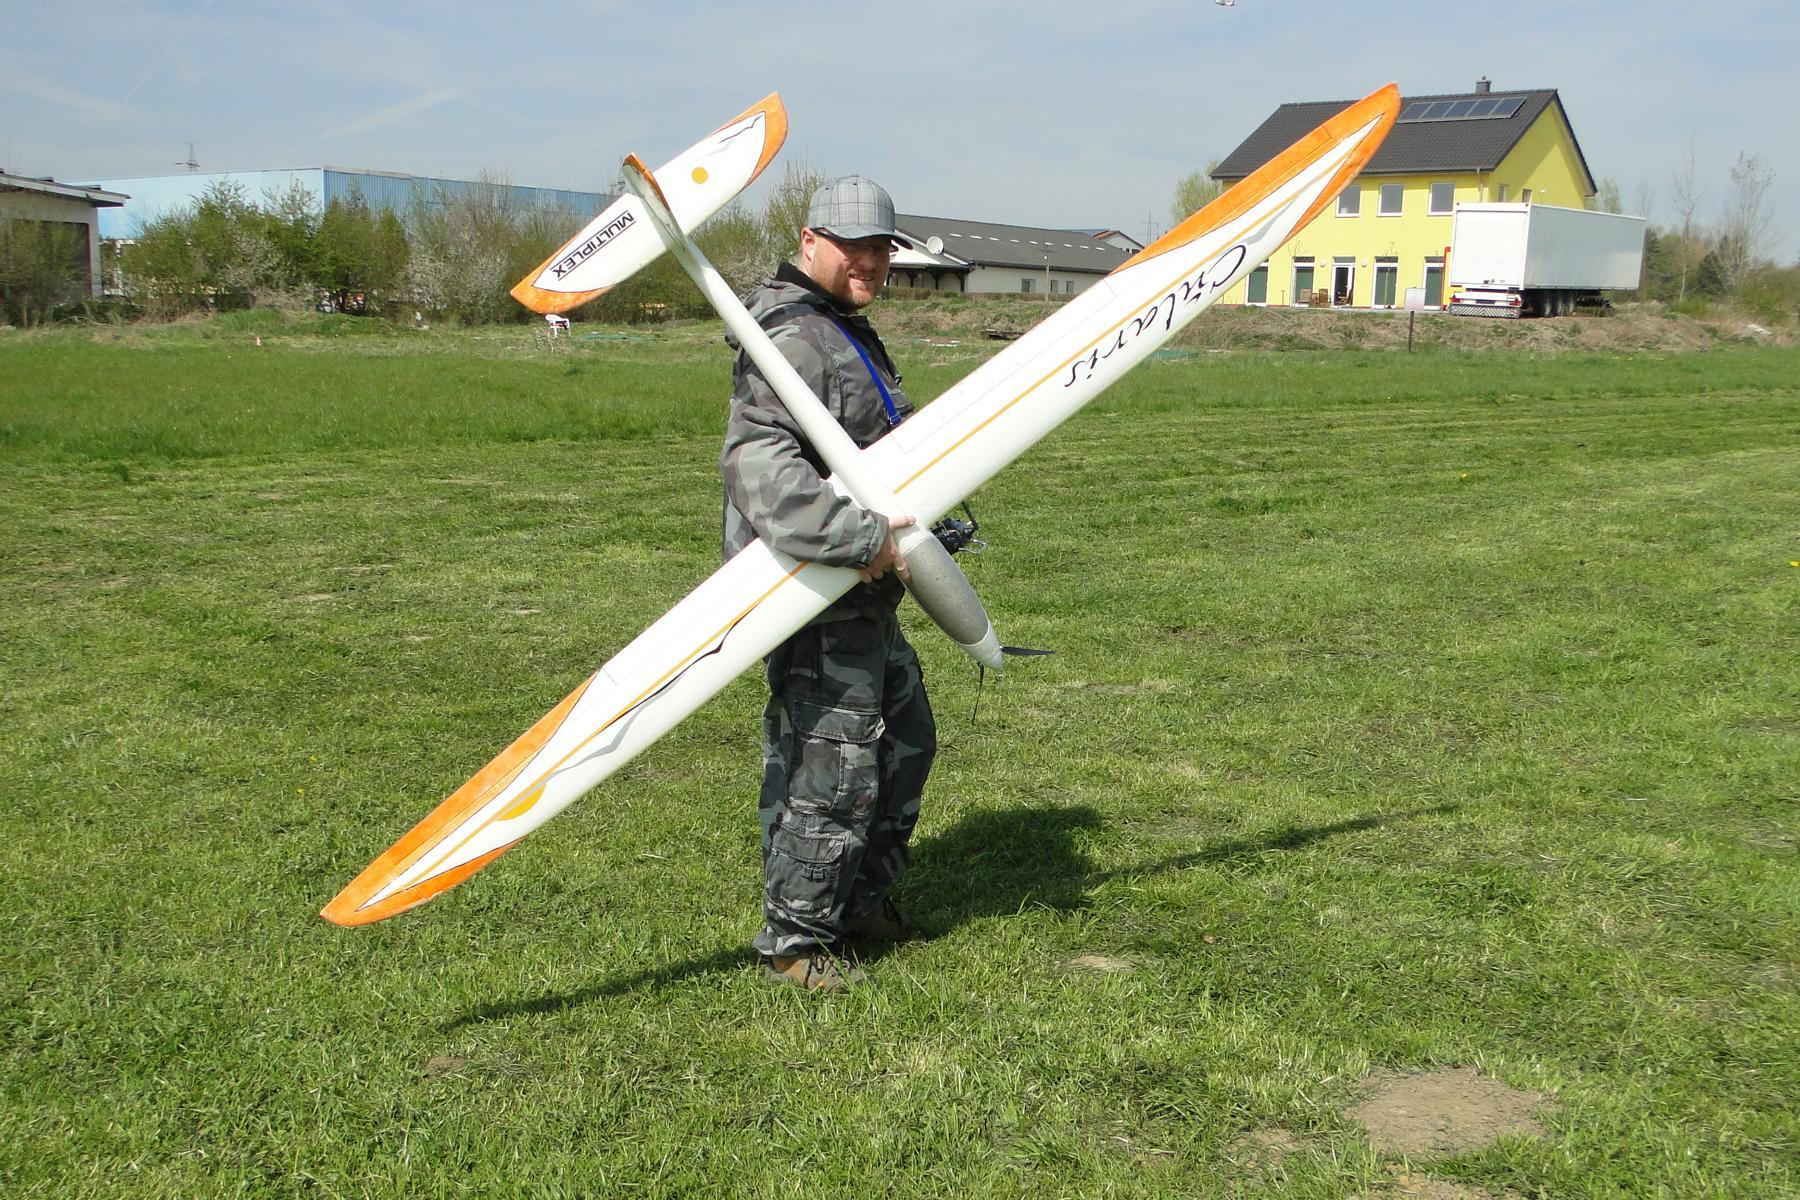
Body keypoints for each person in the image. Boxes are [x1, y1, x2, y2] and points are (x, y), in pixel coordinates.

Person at [720, 176, 936, 991]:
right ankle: (795, 941)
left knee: (907, 738)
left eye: (881, 249)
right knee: (832, 766)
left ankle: (860, 900)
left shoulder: (843, 328)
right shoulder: (796, 337)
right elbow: (761, 470)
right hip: (814, 591)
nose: (870, 262)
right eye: (853, 247)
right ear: (809, 240)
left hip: (862, 592)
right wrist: (861, 538)